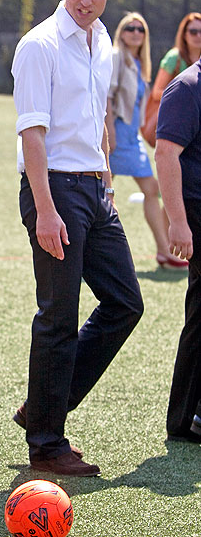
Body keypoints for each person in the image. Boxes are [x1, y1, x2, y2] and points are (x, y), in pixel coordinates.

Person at [11, 0, 144, 477]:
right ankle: (46, 443)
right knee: (59, 315)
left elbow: (100, 114)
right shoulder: (39, 44)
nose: (84, 0)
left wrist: (107, 177)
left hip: (94, 186)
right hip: (55, 190)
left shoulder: (104, 39)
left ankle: (43, 406)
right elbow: (32, 135)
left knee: (125, 303)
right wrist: (45, 210)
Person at [106, 13, 187, 270]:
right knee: (101, 193)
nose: (135, 32)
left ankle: (163, 252)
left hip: (132, 136)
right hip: (117, 134)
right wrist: (110, 134)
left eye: (140, 29)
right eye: (130, 27)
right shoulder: (116, 56)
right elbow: (107, 97)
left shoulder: (139, 62)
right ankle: (89, 252)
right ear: (121, 31)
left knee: (151, 189)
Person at [155, 54, 201, 445]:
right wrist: (178, 221)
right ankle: (187, 418)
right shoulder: (187, 87)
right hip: (197, 213)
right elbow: (165, 154)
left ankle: (187, 418)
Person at [151, 12, 201, 103]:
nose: (198, 36)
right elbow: (156, 92)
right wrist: (184, 95)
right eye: (193, 32)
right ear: (184, 34)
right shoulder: (174, 57)